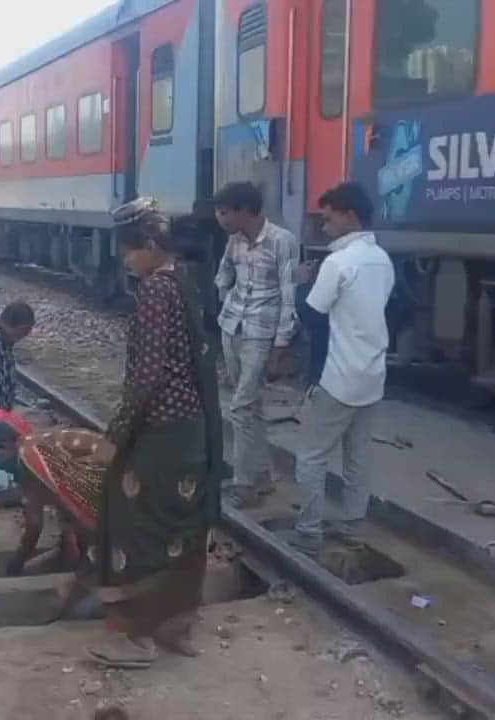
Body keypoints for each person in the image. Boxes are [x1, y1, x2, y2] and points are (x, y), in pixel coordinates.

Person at [85, 197, 225, 669]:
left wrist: (115, 437)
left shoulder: (152, 294)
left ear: (148, 245)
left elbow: (145, 378)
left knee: (133, 523)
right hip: (191, 430)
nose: (126, 261)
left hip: (160, 431)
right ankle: (177, 626)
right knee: (184, 526)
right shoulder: (183, 279)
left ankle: (137, 635)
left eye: (129, 251)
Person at [286, 182, 394, 558]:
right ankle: (351, 528)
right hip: (372, 374)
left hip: (336, 375)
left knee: (311, 456)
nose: (324, 225)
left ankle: (308, 532)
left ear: (349, 216)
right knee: (357, 457)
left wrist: (301, 284)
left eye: (329, 218)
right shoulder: (382, 259)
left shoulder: (337, 263)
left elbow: (312, 314)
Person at [212, 181, 299, 507]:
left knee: (240, 407)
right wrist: (226, 295)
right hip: (232, 327)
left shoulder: (282, 241)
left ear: (245, 211)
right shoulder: (234, 241)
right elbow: (223, 274)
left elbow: (289, 295)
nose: (220, 219)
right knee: (251, 406)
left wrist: (282, 343)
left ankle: (243, 483)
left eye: (224, 213)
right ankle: (263, 476)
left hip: (261, 334)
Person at [0, 422, 104, 605]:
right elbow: (42, 515)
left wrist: (17, 563)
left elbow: (38, 522)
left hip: (113, 478)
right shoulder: (33, 447)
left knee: (84, 533)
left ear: (4, 447)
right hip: (111, 470)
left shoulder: (29, 458)